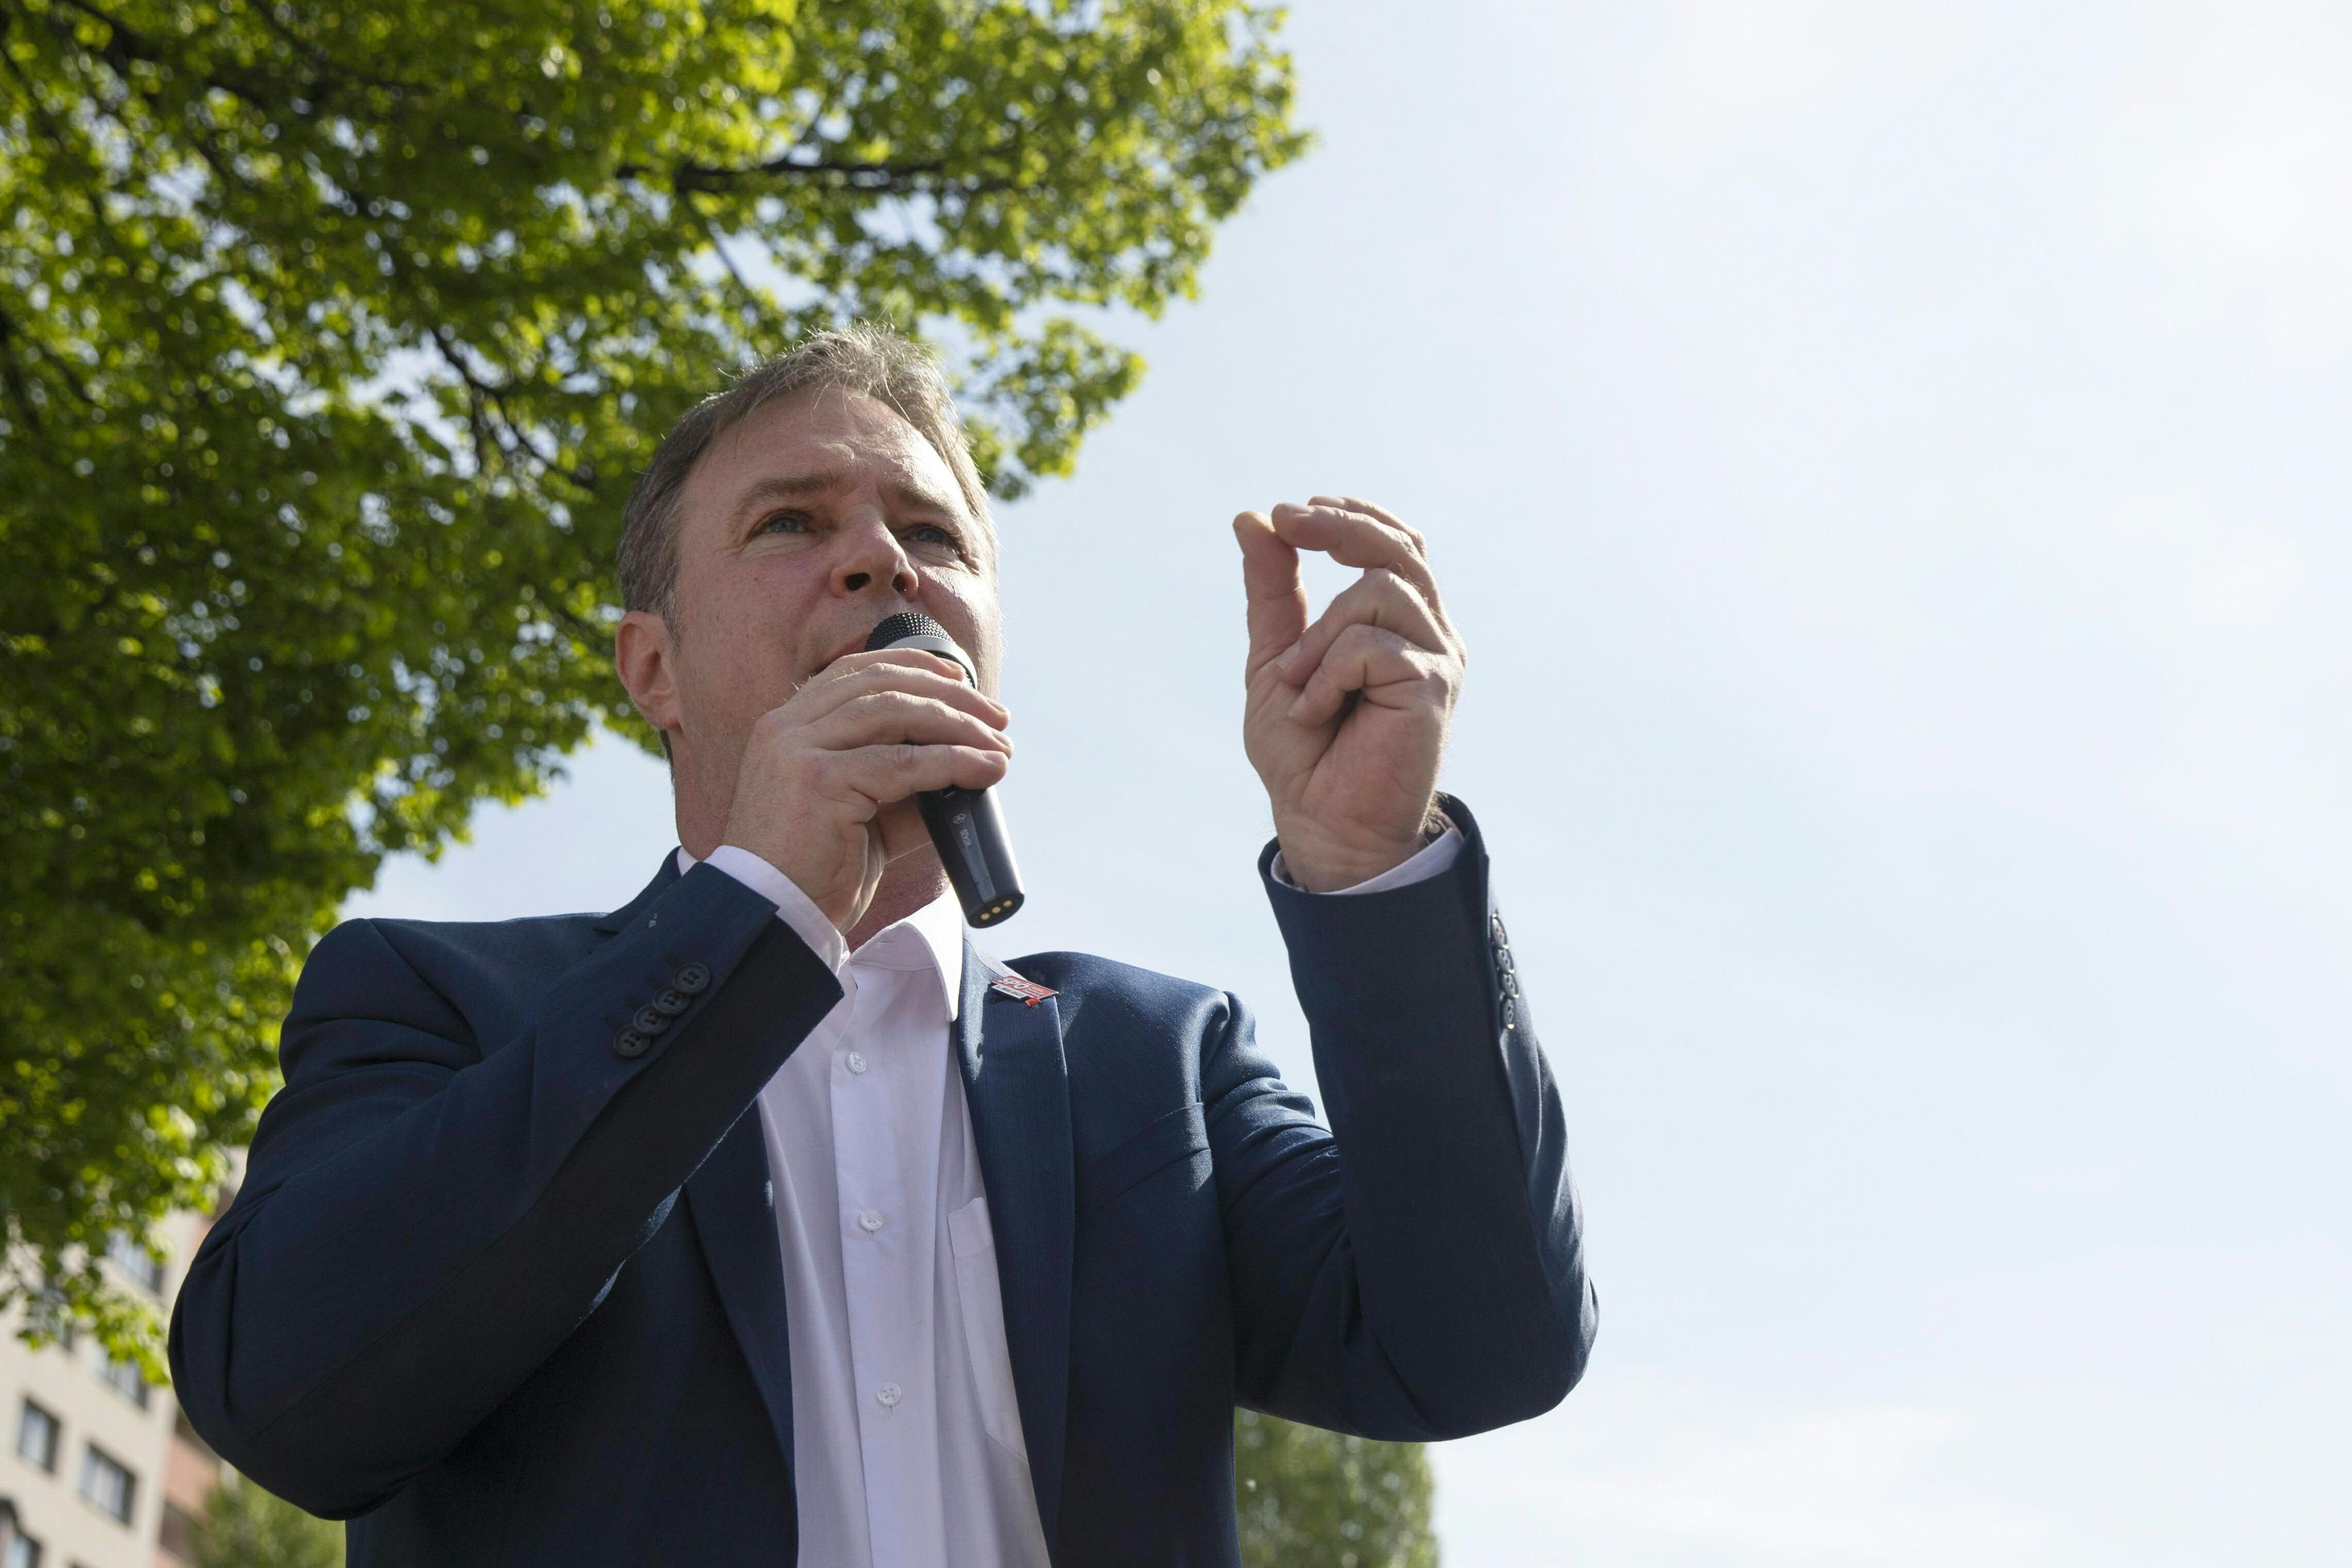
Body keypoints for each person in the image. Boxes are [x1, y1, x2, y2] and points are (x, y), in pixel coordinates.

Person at [170, 325, 1596, 1567]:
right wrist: (755, 909)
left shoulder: (1158, 1063)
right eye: (792, 522)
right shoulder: (437, 1002)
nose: (877, 559)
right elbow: (290, 1395)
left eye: (932, 535)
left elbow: (1483, 1341)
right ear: (649, 666)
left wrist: (1369, 875)